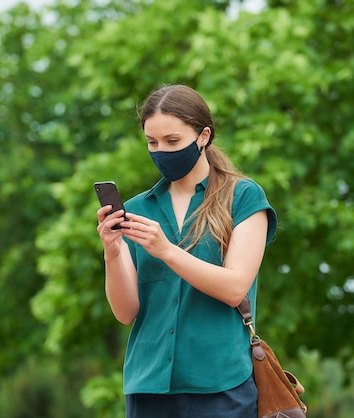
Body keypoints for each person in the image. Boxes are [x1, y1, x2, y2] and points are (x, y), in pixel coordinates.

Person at [96, 84, 277, 418]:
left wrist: (166, 250)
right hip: (147, 387)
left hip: (222, 386)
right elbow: (125, 313)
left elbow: (235, 287)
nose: (161, 151)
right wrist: (112, 252)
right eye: (152, 142)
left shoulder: (244, 198)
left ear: (203, 136)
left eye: (172, 141)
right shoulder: (138, 209)